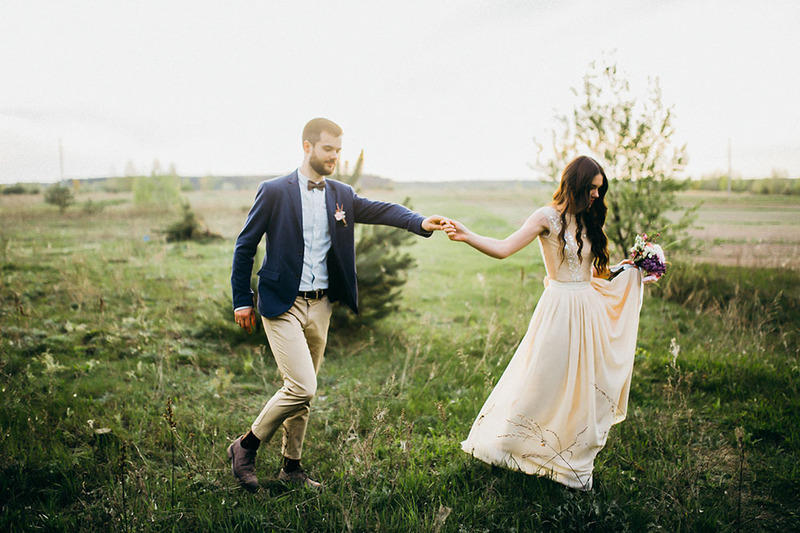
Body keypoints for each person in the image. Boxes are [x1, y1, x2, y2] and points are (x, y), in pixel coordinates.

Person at [228, 118, 446, 491]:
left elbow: (380, 210)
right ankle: (245, 446)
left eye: (339, 151)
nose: (335, 157)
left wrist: (420, 222)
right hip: (282, 303)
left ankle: (291, 468)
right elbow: (245, 246)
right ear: (307, 146)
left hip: (322, 305)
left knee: (302, 390)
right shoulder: (275, 191)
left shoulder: (341, 194)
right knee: (303, 387)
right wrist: (241, 300)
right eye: (329, 149)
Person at [443, 155, 657, 490]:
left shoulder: (590, 222)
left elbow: (599, 272)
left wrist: (634, 271)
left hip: (588, 309)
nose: (596, 196)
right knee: (545, 379)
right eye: (591, 188)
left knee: (585, 385)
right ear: (574, 184)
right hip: (558, 307)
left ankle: (570, 456)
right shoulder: (547, 218)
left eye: (600, 190)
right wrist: (469, 236)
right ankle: (511, 444)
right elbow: (503, 248)